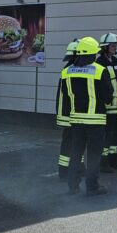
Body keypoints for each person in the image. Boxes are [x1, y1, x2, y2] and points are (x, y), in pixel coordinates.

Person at [62, 36, 113, 196]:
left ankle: (72, 186)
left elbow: (66, 95)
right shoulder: (99, 70)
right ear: (92, 53)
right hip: (95, 120)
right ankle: (92, 187)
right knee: (93, 155)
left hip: (76, 120)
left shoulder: (66, 72)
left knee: (76, 153)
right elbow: (108, 97)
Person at [97, 32, 117, 172]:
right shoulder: (100, 63)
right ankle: (103, 163)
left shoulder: (115, 61)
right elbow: (101, 85)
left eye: (116, 45)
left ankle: (113, 160)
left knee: (116, 135)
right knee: (107, 135)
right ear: (105, 47)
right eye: (112, 45)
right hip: (108, 107)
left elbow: (115, 81)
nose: (115, 47)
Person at [55, 39, 80, 182]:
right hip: (72, 115)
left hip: (66, 114)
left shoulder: (67, 69)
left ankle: (67, 169)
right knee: (72, 142)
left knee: (71, 142)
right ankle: (65, 171)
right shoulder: (72, 71)